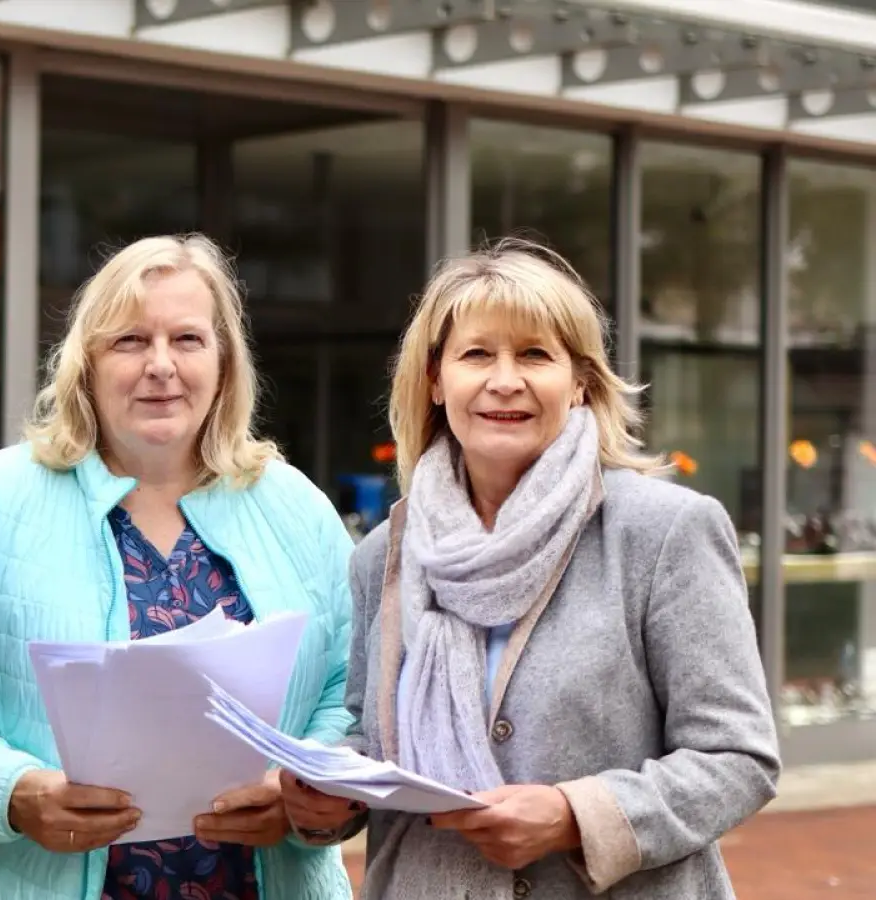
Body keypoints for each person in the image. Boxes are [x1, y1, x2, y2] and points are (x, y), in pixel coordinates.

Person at [282, 238, 780, 898]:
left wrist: (577, 816)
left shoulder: (664, 533)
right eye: (477, 354)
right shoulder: (387, 553)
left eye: (535, 354)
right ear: (436, 379)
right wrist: (330, 797)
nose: (505, 380)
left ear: (579, 382)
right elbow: (373, 744)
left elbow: (739, 757)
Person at [0, 234, 355, 899]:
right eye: (129, 341)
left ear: (225, 362)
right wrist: (14, 793)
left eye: (187, 340)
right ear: (86, 364)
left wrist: (298, 791)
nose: (161, 366)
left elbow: (349, 692)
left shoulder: (296, 508)